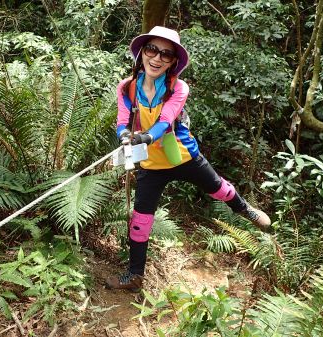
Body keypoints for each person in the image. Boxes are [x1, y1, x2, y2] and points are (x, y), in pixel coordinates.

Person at [106, 26, 271, 292]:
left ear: (173, 62)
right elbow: (122, 120)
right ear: (142, 53)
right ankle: (135, 276)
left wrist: (144, 137)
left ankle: (245, 210)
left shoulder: (178, 88)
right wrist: (125, 134)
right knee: (140, 220)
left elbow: (166, 119)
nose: (157, 58)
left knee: (219, 189)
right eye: (152, 50)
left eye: (166, 54)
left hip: (183, 155)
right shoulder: (127, 88)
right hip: (151, 164)